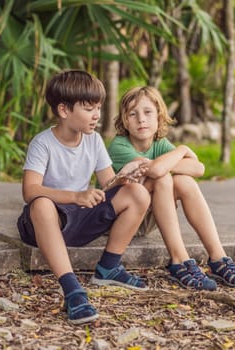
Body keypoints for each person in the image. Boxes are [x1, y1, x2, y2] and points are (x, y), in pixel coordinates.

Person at [17, 70, 151, 325]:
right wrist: (75, 196)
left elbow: (107, 184)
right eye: (89, 108)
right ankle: (71, 289)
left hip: (80, 218)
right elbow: (30, 191)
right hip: (46, 222)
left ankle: (109, 266)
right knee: (41, 204)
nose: (97, 115)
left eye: (98, 107)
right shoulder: (43, 143)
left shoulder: (94, 140)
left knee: (137, 194)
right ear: (64, 110)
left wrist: (124, 176)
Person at [108, 86, 235, 291]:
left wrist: (175, 156)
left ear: (159, 116)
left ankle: (218, 258)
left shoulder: (159, 143)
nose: (141, 119)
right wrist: (183, 150)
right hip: (120, 220)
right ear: (124, 120)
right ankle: (179, 261)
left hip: (146, 214)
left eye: (147, 112)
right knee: (163, 179)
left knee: (184, 182)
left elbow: (198, 168)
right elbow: (158, 170)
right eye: (132, 114)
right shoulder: (120, 146)